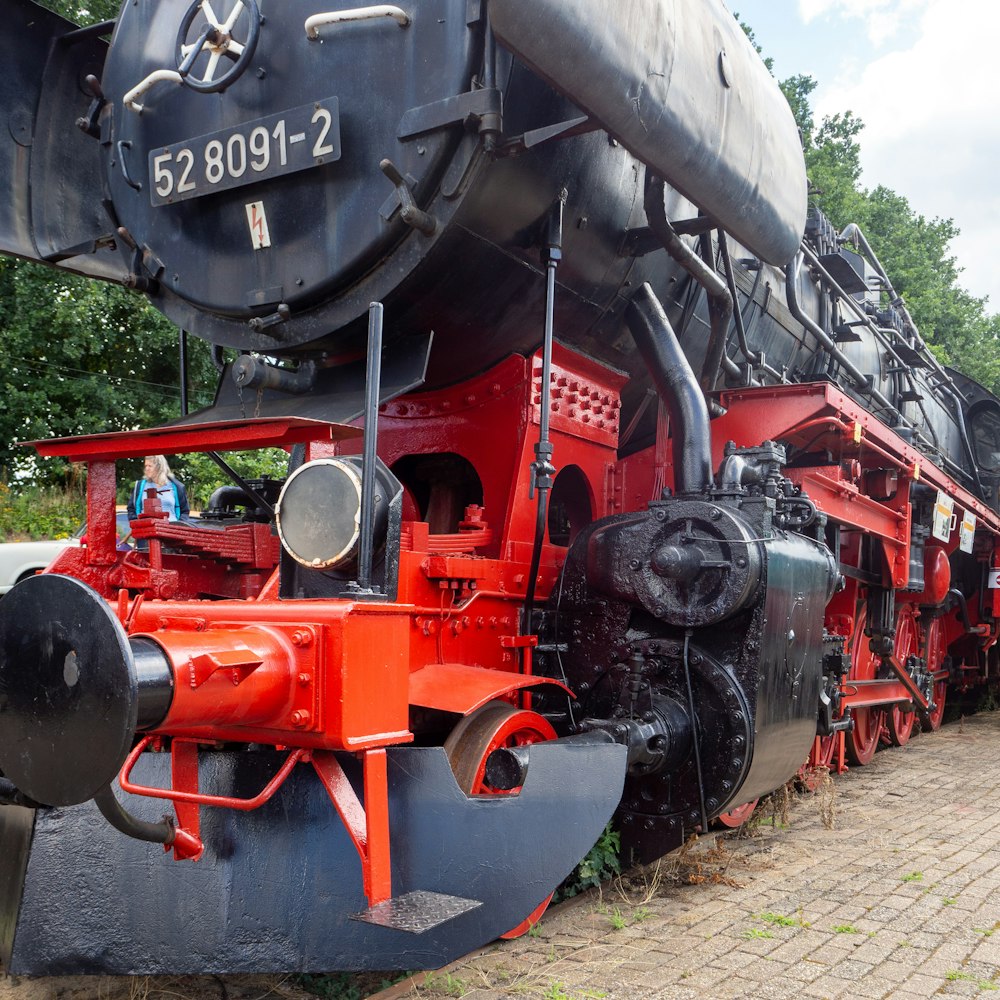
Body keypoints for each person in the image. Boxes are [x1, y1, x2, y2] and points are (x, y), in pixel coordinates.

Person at [128, 455, 190, 522]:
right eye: (146, 466)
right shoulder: (139, 486)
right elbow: (131, 509)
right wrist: (138, 525)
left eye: (150, 466)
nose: (147, 469)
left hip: (171, 529)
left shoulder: (177, 487)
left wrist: (179, 526)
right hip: (147, 529)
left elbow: (184, 511)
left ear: (159, 467)